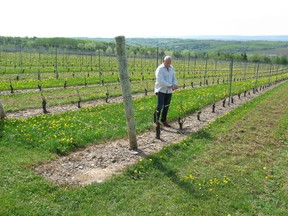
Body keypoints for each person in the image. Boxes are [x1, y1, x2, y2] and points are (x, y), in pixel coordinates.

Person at [153, 55, 178, 127]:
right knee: (160, 106)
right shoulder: (160, 69)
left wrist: (175, 85)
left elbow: (174, 77)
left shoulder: (172, 68)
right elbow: (161, 81)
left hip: (169, 91)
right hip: (161, 90)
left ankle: (163, 120)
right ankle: (156, 121)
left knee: (166, 106)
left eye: (170, 63)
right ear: (163, 61)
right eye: (167, 63)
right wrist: (170, 86)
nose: (168, 64)